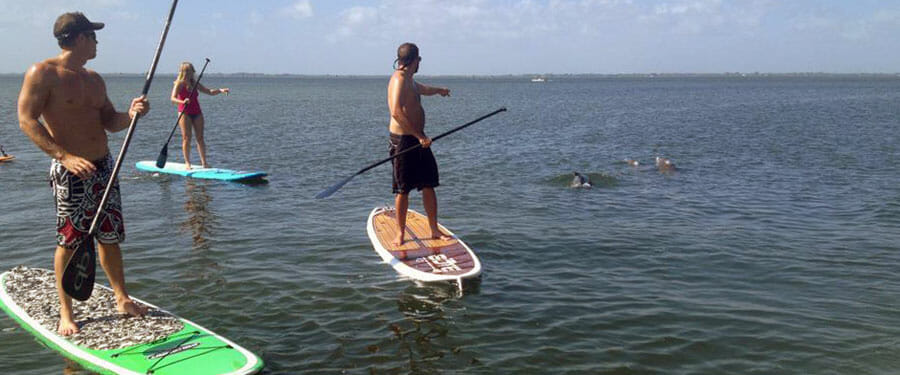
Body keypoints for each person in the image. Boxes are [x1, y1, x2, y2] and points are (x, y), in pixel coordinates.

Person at [17, 11, 149, 336]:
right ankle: (66, 312)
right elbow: (26, 120)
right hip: (70, 171)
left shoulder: (94, 79)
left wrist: (131, 115)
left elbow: (109, 121)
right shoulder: (43, 73)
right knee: (71, 240)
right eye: (93, 36)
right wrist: (63, 156)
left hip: (104, 165)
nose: (97, 42)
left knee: (109, 236)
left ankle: (122, 298)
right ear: (78, 38)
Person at [387, 42, 453, 246]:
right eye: (419, 60)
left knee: (428, 183)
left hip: (418, 138)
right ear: (415, 60)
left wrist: (439, 90)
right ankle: (400, 234)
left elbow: (422, 89)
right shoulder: (398, 79)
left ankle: (434, 230)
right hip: (404, 141)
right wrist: (419, 136)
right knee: (403, 189)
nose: (420, 63)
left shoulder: (410, 80)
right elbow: (396, 112)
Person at [170, 62, 229, 169]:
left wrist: (220, 90)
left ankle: (204, 163)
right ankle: (187, 163)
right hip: (184, 113)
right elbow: (173, 98)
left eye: (191, 70)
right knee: (186, 137)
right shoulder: (179, 83)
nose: (189, 73)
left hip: (197, 112)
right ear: (182, 72)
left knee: (200, 137)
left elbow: (209, 91)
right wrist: (182, 102)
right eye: (186, 70)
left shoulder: (195, 83)